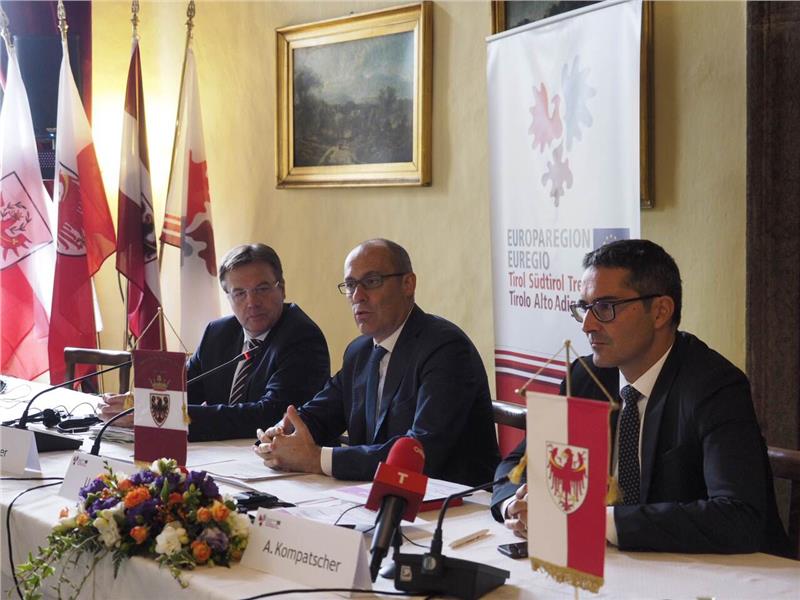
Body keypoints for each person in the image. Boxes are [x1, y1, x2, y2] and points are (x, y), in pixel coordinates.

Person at [491, 239, 791, 556]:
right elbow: (517, 466)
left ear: (660, 311)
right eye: (585, 309)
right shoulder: (586, 377)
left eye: (605, 308)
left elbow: (738, 517)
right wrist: (516, 506)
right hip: (622, 565)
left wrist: (597, 522)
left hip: (724, 573)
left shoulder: (715, 387)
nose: (588, 326)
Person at [255, 239, 500, 486]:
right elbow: (322, 414)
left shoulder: (445, 348)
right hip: (375, 492)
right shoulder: (359, 352)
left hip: (453, 498)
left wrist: (317, 459)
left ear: (408, 284)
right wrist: (283, 435)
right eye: (351, 285)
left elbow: (422, 451)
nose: (358, 296)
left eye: (372, 282)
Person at [97, 243, 330, 442]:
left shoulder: (302, 338)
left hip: (278, 463)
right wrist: (138, 403)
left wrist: (164, 414)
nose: (252, 302)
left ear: (282, 289)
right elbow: (184, 389)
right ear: (228, 297)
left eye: (262, 289)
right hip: (222, 456)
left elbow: (269, 415)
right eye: (240, 293)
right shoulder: (218, 333)